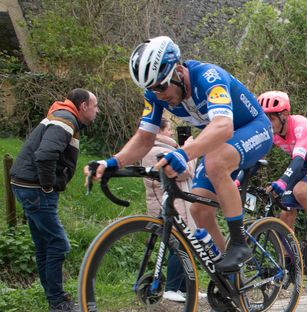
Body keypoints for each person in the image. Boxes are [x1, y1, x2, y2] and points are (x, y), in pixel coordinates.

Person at [88, 36, 273, 273]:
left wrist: (183, 154)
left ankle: (239, 243)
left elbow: (223, 127)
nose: (159, 93)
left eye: (162, 86)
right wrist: (113, 161)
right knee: (199, 209)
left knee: (215, 163)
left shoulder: (208, 77)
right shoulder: (155, 95)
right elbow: (145, 139)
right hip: (219, 137)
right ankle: (228, 275)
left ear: (177, 70)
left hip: (254, 129)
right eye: (152, 88)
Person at [11, 88, 100, 312]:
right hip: (36, 189)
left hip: (25, 185)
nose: (97, 110)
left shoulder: (61, 115)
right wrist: (49, 185)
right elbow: (45, 155)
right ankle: (58, 302)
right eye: (95, 106)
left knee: (44, 245)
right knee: (59, 244)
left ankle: (53, 298)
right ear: (83, 106)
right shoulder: (65, 120)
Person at [259, 91, 307, 263]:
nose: (267, 124)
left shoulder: (301, 125)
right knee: (285, 211)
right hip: (301, 168)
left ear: (284, 115)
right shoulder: (272, 133)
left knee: (300, 191)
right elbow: (255, 155)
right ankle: (289, 260)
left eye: (270, 119)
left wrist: (282, 180)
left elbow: (298, 159)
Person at [141, 118, 196, 302]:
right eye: (169, 129)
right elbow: (184, 172)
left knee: (182, 245)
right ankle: (172, 287)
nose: (172, 133)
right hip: (167, 205)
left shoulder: (160, 149)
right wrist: (191, 151)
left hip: (171, 203)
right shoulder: (158, 151)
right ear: (160, 131)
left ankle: (183, 289)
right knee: (177, 246)